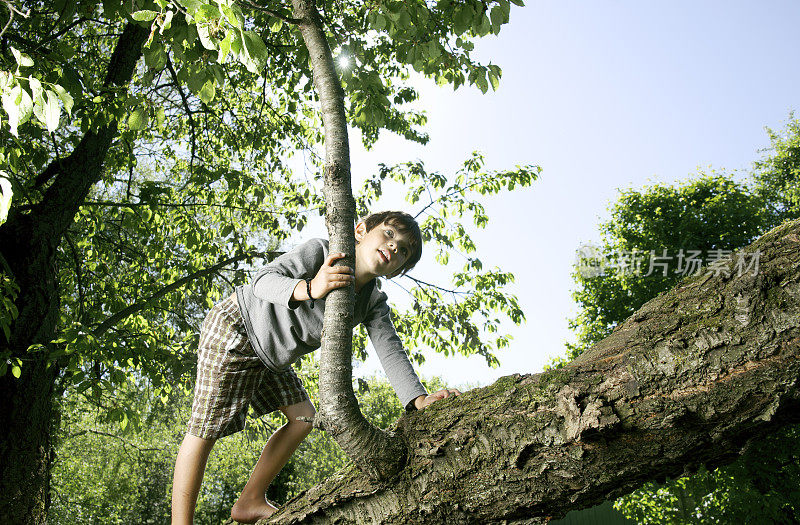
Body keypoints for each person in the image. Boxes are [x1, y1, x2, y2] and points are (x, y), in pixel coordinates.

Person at [171, 211, 460, 524]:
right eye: (389, 234)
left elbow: (390, 350)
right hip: (238, 327)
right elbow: (262, 281)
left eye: (403, 250)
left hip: (271, 357)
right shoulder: (321, 252)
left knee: (302, 419)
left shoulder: (372, 303)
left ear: (397, 270)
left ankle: (250, 500)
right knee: (204, 429)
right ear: (361, 230)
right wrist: (309, 286)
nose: (394, 247)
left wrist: (418, 400)